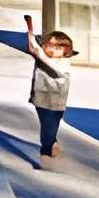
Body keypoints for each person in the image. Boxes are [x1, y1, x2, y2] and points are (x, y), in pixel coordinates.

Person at [28, 28, 76, 165]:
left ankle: (47, 149)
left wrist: (35, 46)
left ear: (66, 51)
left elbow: (44, 59)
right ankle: (47, 148)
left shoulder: (63, 64)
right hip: (41, 100)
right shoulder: (42, 60)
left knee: (51, 128)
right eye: (50, 46)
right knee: (46, 127)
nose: (53, 51)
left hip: (56, 105)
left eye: (58, 48)